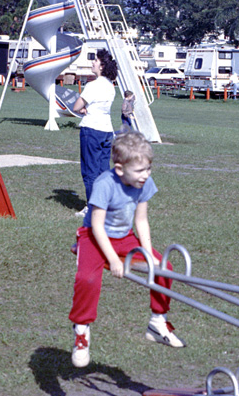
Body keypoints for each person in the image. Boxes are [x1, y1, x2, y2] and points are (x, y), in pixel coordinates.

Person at [69, 132, 185, 368]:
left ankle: (157, 321)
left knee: (165, 268)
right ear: (120, 169)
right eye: (140, 171)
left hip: (125, 237)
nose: (146, 175)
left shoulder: (145, 183)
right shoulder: (104, 184)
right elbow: (98, 227)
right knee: (87, 278)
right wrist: (113, 260)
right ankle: (82, 331)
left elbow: (141, 221)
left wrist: (148, 252)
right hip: (94, 236)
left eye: (149, 168)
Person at [73, 49, 118, 218]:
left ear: (102, 65)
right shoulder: (111, 86)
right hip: (107, 130)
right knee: (103, 170)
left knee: (90, 171)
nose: (93, 63)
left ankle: (92, 207)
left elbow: (76, 106)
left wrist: (83, 108)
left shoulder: (93, 85)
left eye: (96, 60)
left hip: (91, 129)